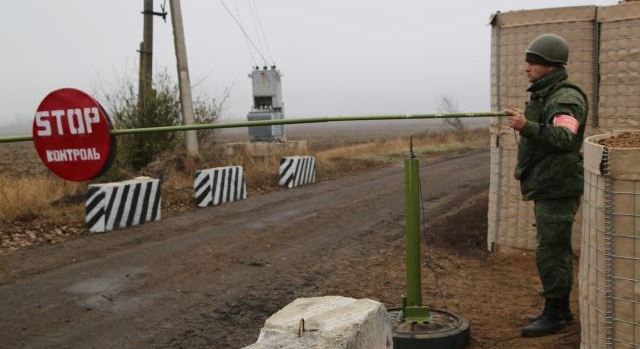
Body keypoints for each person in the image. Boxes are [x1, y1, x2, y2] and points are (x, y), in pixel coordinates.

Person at [504, 33, 588, 338]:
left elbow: (565, 137)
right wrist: (527, 120)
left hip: (558, 187)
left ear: (550, 65)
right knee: (552, 249)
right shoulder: (547, 95)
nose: (526, 68)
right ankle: (559, 310)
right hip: (551, 185)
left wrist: (527, 126)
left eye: (533, 62)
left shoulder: (565, 97)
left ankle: (555, 314)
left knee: (552, 251)